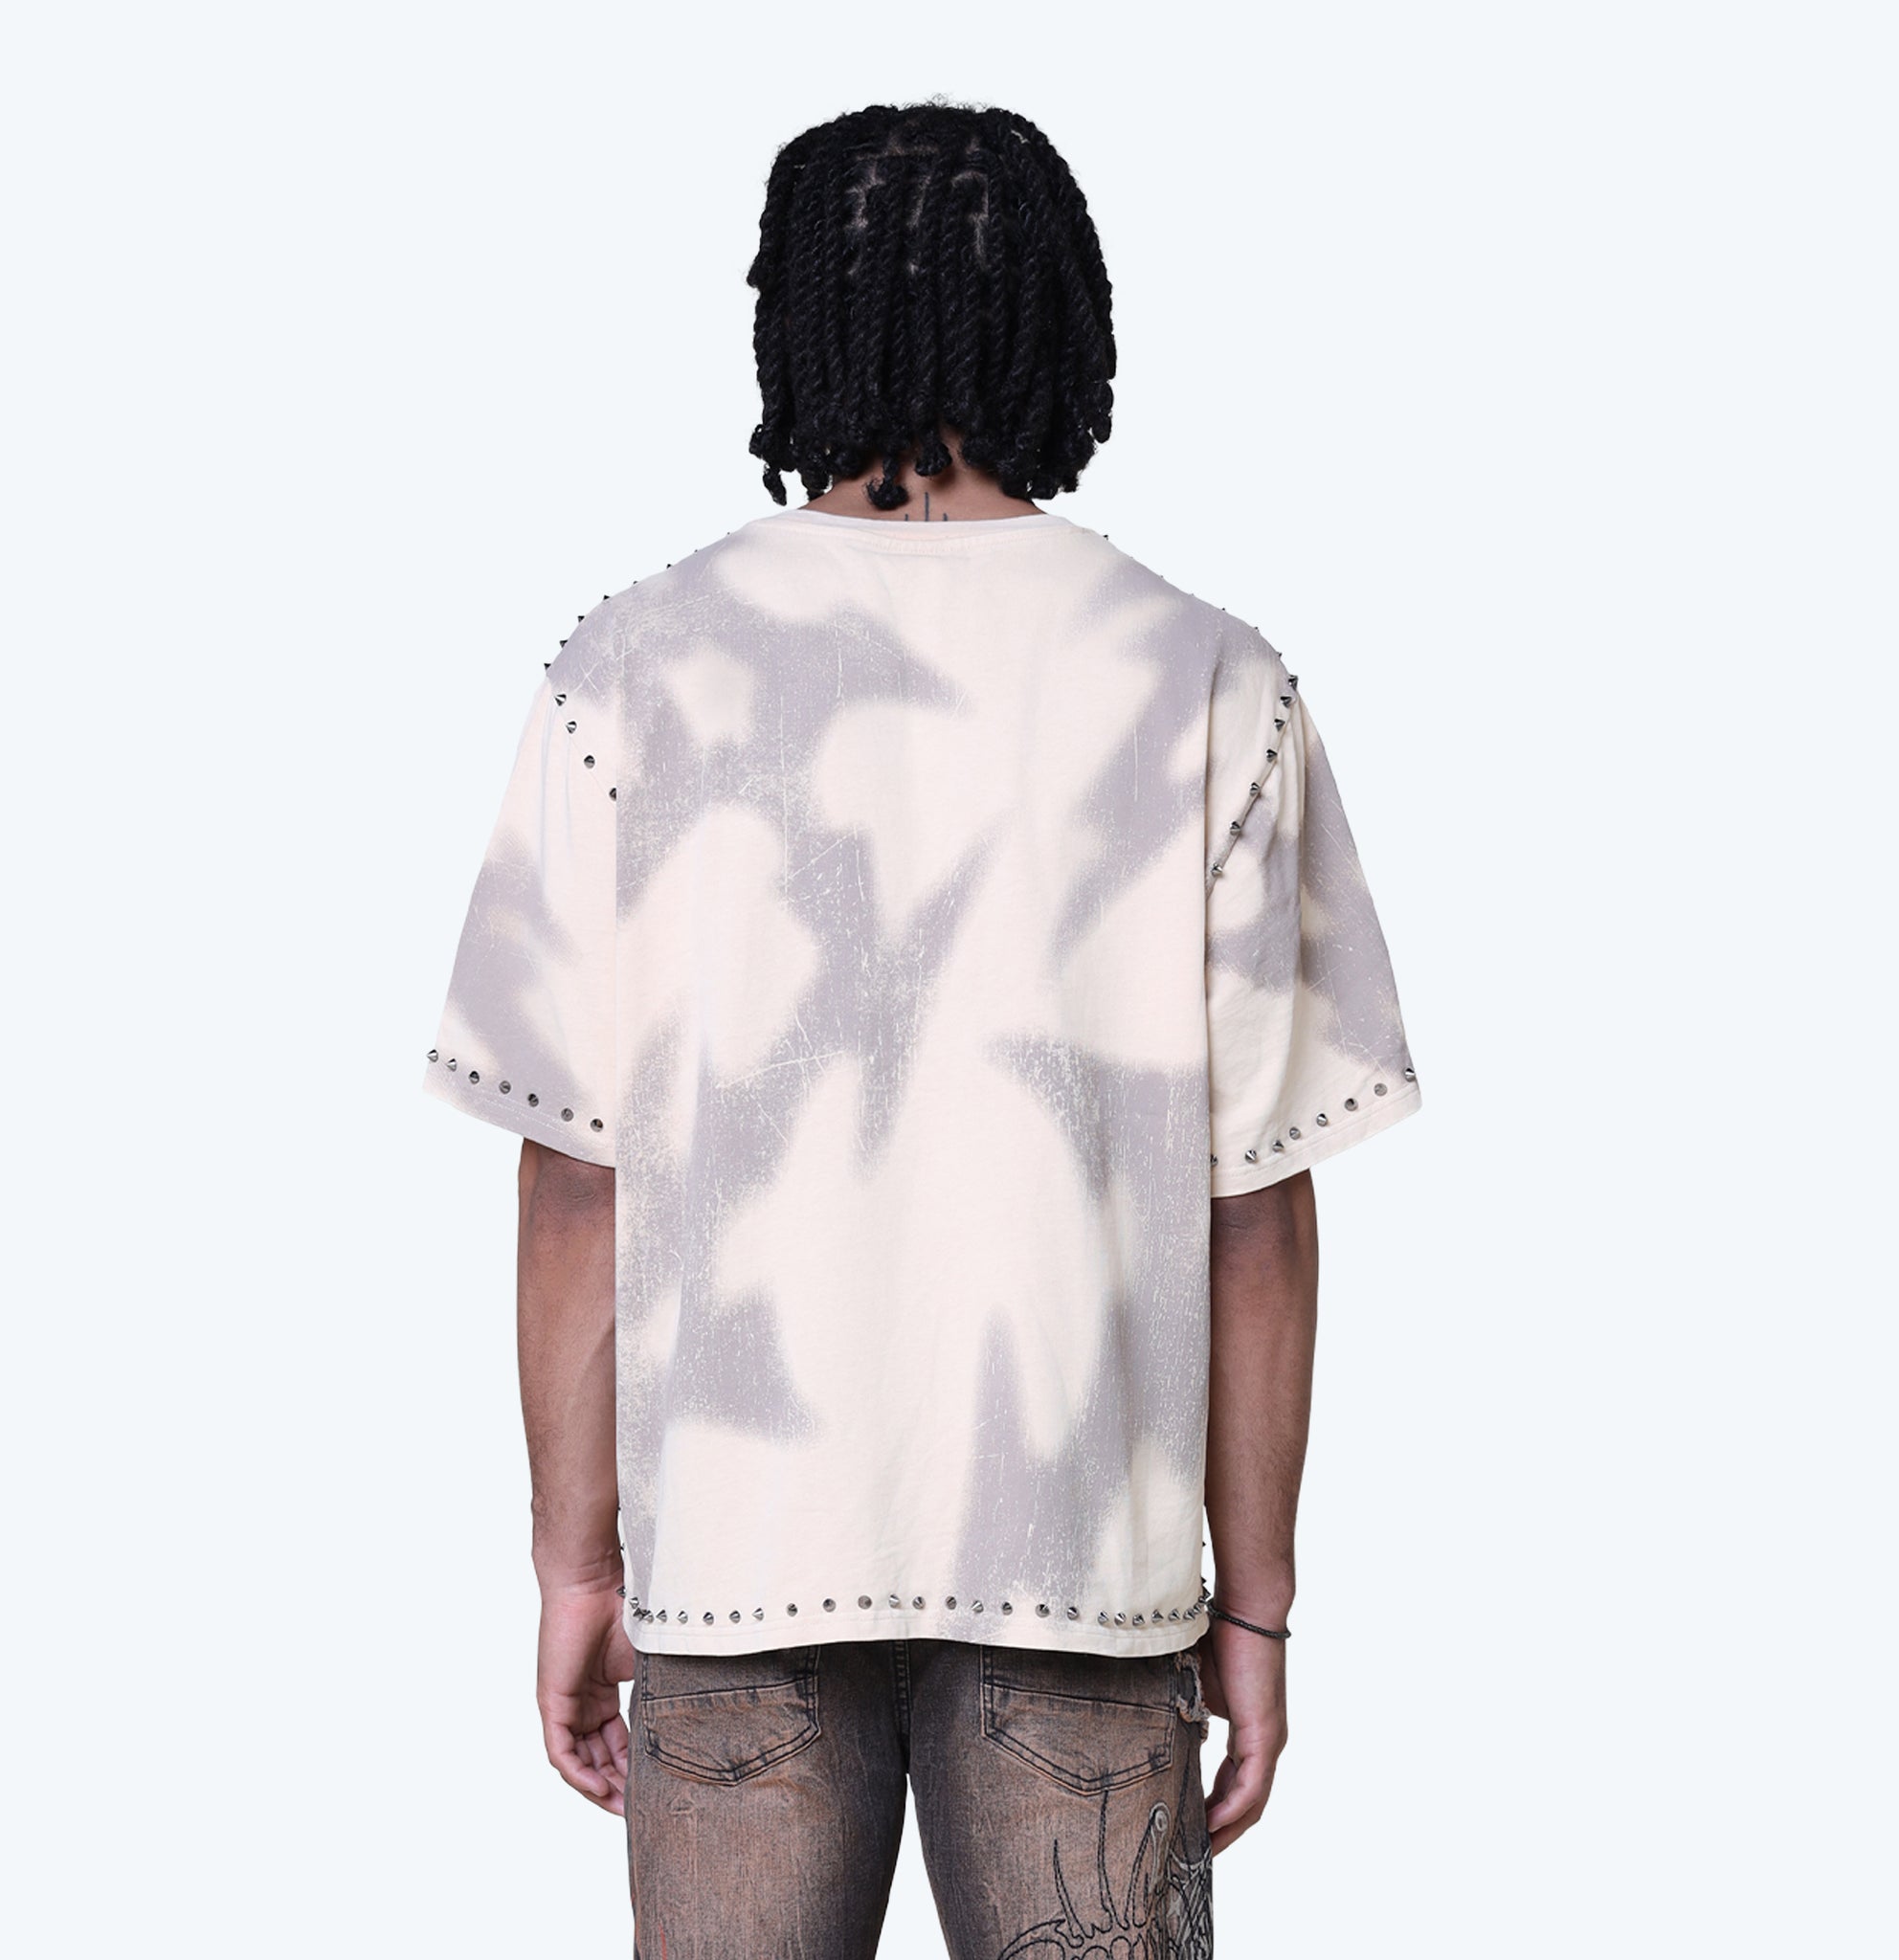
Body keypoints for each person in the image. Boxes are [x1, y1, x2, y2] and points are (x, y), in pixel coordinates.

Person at [422, 100, 1421, 1960]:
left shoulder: (626, 673)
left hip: (734, 1575)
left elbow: (575, 1178)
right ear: (1064, 324)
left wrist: (572, 1557)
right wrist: (1258, 1605)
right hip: (1090, 1583)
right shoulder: (1209, 678)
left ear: (792, 327)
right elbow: (1258, 1211)